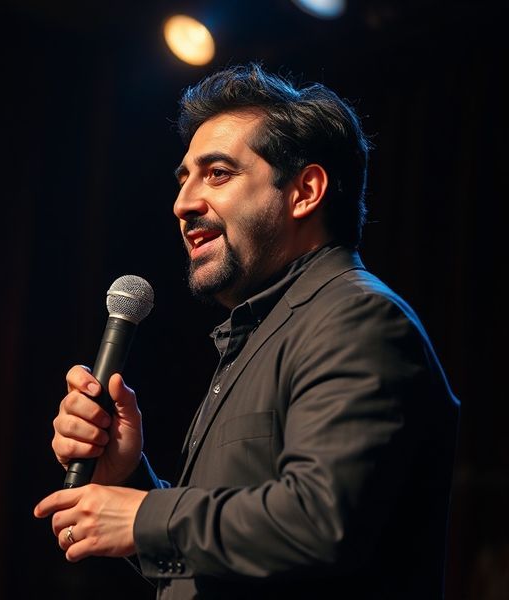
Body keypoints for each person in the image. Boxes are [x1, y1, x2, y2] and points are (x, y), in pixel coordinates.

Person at [33, 61, 460, 599]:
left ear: (304, 191)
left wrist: (145, 514)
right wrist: (127, 477)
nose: (183, 203)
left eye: (217, 173)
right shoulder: (265, 333)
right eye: (184, 177)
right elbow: (230, 566)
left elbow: (321, 521)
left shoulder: (358, 319)